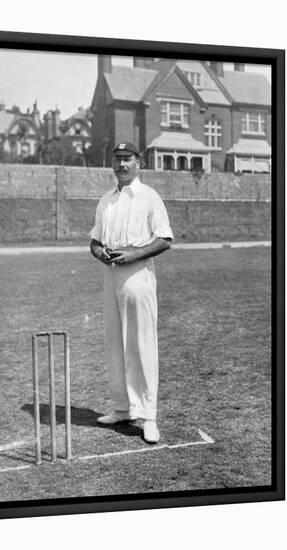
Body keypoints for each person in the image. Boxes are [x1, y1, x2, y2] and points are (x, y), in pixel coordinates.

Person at [89, 142, 173, 444]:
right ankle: (123, 408)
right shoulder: (106, 200)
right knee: (115, 344)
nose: (122, 164)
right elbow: (95, 241)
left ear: (139, 163)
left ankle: (148, 416)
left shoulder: (149, 197)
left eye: (127, 159)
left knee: (141, 345)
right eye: (118, 159)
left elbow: (164, 239)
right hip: (110, 278)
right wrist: (100, 252)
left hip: (138, 278)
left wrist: (133, 254)